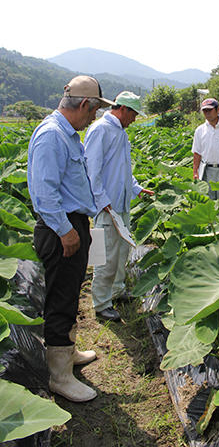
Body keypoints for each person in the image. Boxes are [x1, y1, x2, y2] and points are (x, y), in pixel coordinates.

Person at [27, 75, 116, 402]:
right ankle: (59, 376)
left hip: (73, 224)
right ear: (83, 105)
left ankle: (67, 353)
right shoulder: (52, 136)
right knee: (60, 298)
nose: (93, 118)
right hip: (59, 228)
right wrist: (66, 231)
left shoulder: (67, 135)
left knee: (69, 292)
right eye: (93, 112)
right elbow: (43, 193)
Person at [84, 92, 154, 322]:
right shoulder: (100, 130)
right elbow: (91, 171)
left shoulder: (121, 133)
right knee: (105, 255)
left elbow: (123, 170)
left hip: (121, 203)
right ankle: (102, 303)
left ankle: (116, 290)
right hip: (107, 206)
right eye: (133, 114)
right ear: (123, 109)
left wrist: (136, 188)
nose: (134, 119)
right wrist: (102, 201)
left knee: (122, 250)